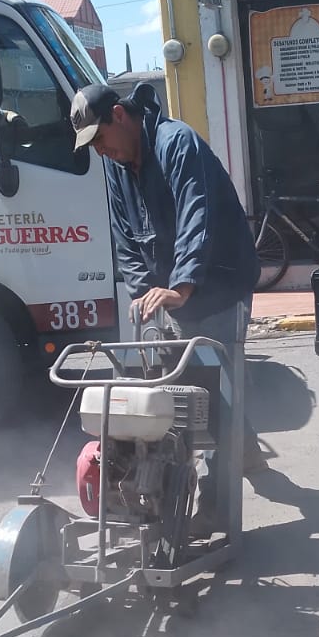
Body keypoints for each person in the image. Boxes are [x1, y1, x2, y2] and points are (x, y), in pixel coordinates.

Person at [69, 80, 264, 527]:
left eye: (99, 138)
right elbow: (124, 237)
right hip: (172, 293)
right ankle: (243, 450)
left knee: (216, 399)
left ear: (119, 116)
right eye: (92, 146)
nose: (100, 151)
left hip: (218, 283)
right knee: (178, 393)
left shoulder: (177, 143)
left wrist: (183, 286)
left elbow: (199, 214)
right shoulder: (117, 165)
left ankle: (217, 510)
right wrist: (144, 293)